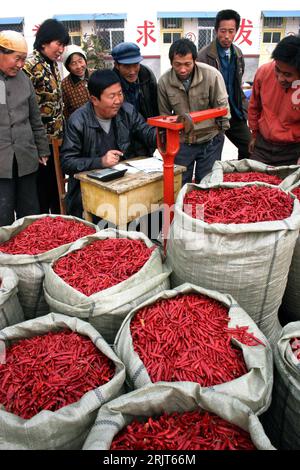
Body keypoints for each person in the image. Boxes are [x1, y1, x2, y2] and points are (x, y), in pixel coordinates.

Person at [60, 69, 156, 218]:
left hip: (123, 183)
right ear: (94, 99)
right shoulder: (78, 121)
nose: (118, 100)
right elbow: (67, 162)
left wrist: (165, 135)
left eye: (120, 94)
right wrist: (100, 162)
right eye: (112, 96)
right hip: (88, 191)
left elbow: (146, 132)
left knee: (152, 207)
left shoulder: (127, 111)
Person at [158, 38, 230, 185]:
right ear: (171, 62)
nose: (182, 69)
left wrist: (219, 134)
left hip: (210, 140)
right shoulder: (164, 82)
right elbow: (164, 117)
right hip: (183, 143)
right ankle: (184, 209)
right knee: (180, 185)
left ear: (195, 61)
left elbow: (223, 110)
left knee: (206, 184)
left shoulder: (212, 75)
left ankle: (201, 210)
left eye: (187, 64)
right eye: (177, 64)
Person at [0, 31, 50, 226]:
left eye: (23, 59)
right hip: (1, 160)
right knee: (2, 213)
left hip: (25, 155)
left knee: (29, 211)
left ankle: (29, 253)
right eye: (17, 59)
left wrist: (42, 149)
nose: (21, 64)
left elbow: (35, 118)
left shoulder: (24, 81)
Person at [23, 18, 70, 214]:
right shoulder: (30, 65)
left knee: (56, 189)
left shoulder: (52, 65)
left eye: (63, 45)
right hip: (39, 143)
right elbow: (23, 104)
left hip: (56, 141)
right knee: (42, 192)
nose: (61, 49)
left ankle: (57, 227)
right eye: (58, 44)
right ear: (44, 41)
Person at [197, 9, 251, 159]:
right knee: (213, 159)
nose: (226, 36)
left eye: (231, 31)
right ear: (216, 31)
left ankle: (241, 177)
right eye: (222, 31)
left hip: (234, 112)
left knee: (249, 148)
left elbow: (237, 85)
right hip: (213, 116)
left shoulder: (238, 54)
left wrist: (244, 109)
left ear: (236, 31)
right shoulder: (203, 56)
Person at [248, 35, 300, 166]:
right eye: (277, 70)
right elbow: (254, 106)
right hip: (262, 145)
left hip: (292, 150)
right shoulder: (264, 72)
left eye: (288, 75)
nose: (281, 78)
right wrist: (254, 135)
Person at [112, 42, 159, 157]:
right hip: (124, 142)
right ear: (117, 65)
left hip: (146, 136)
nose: (132, 71)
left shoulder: (146, 75)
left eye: (135, 65)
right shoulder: (111, 83)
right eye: (127, 67)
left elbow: (155, 107)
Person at [61, 45, 90, 119]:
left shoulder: (95, 75)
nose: (79, 66)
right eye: (73, 63)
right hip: (79, 124)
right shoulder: (65, 85)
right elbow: (65, 111)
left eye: (80, 61)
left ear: (85, 60)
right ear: (68, 67)